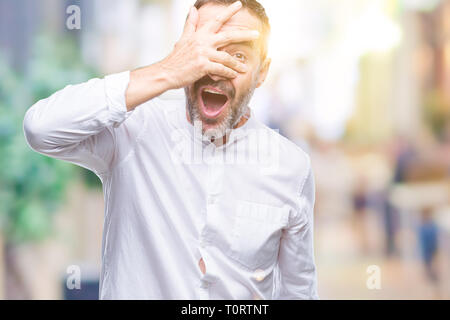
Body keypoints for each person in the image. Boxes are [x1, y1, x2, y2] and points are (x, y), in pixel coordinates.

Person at [23, 0, 318, 299]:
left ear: (263, 71)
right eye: (204, 50)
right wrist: (167, 70)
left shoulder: (291, 168)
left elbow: (298, 292)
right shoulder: (134, 128)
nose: (215, 69)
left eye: (238, 55)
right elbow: (41, 129)